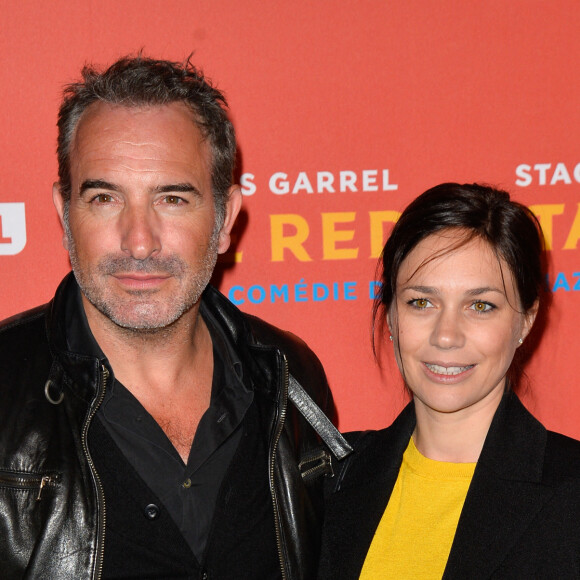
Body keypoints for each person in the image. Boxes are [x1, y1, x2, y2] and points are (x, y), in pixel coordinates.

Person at [0, 55, 351, 580]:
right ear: (63, 213)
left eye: (171, 198)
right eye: (104, 198)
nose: (139, 242)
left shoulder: (289, 375)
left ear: (225, 218)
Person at [319, 183, 580, 579]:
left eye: (481, 306)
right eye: (421, 302)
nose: (446, 335)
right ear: (391, 315)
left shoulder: (571, 490)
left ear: (525, 321)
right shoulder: (329, 480)